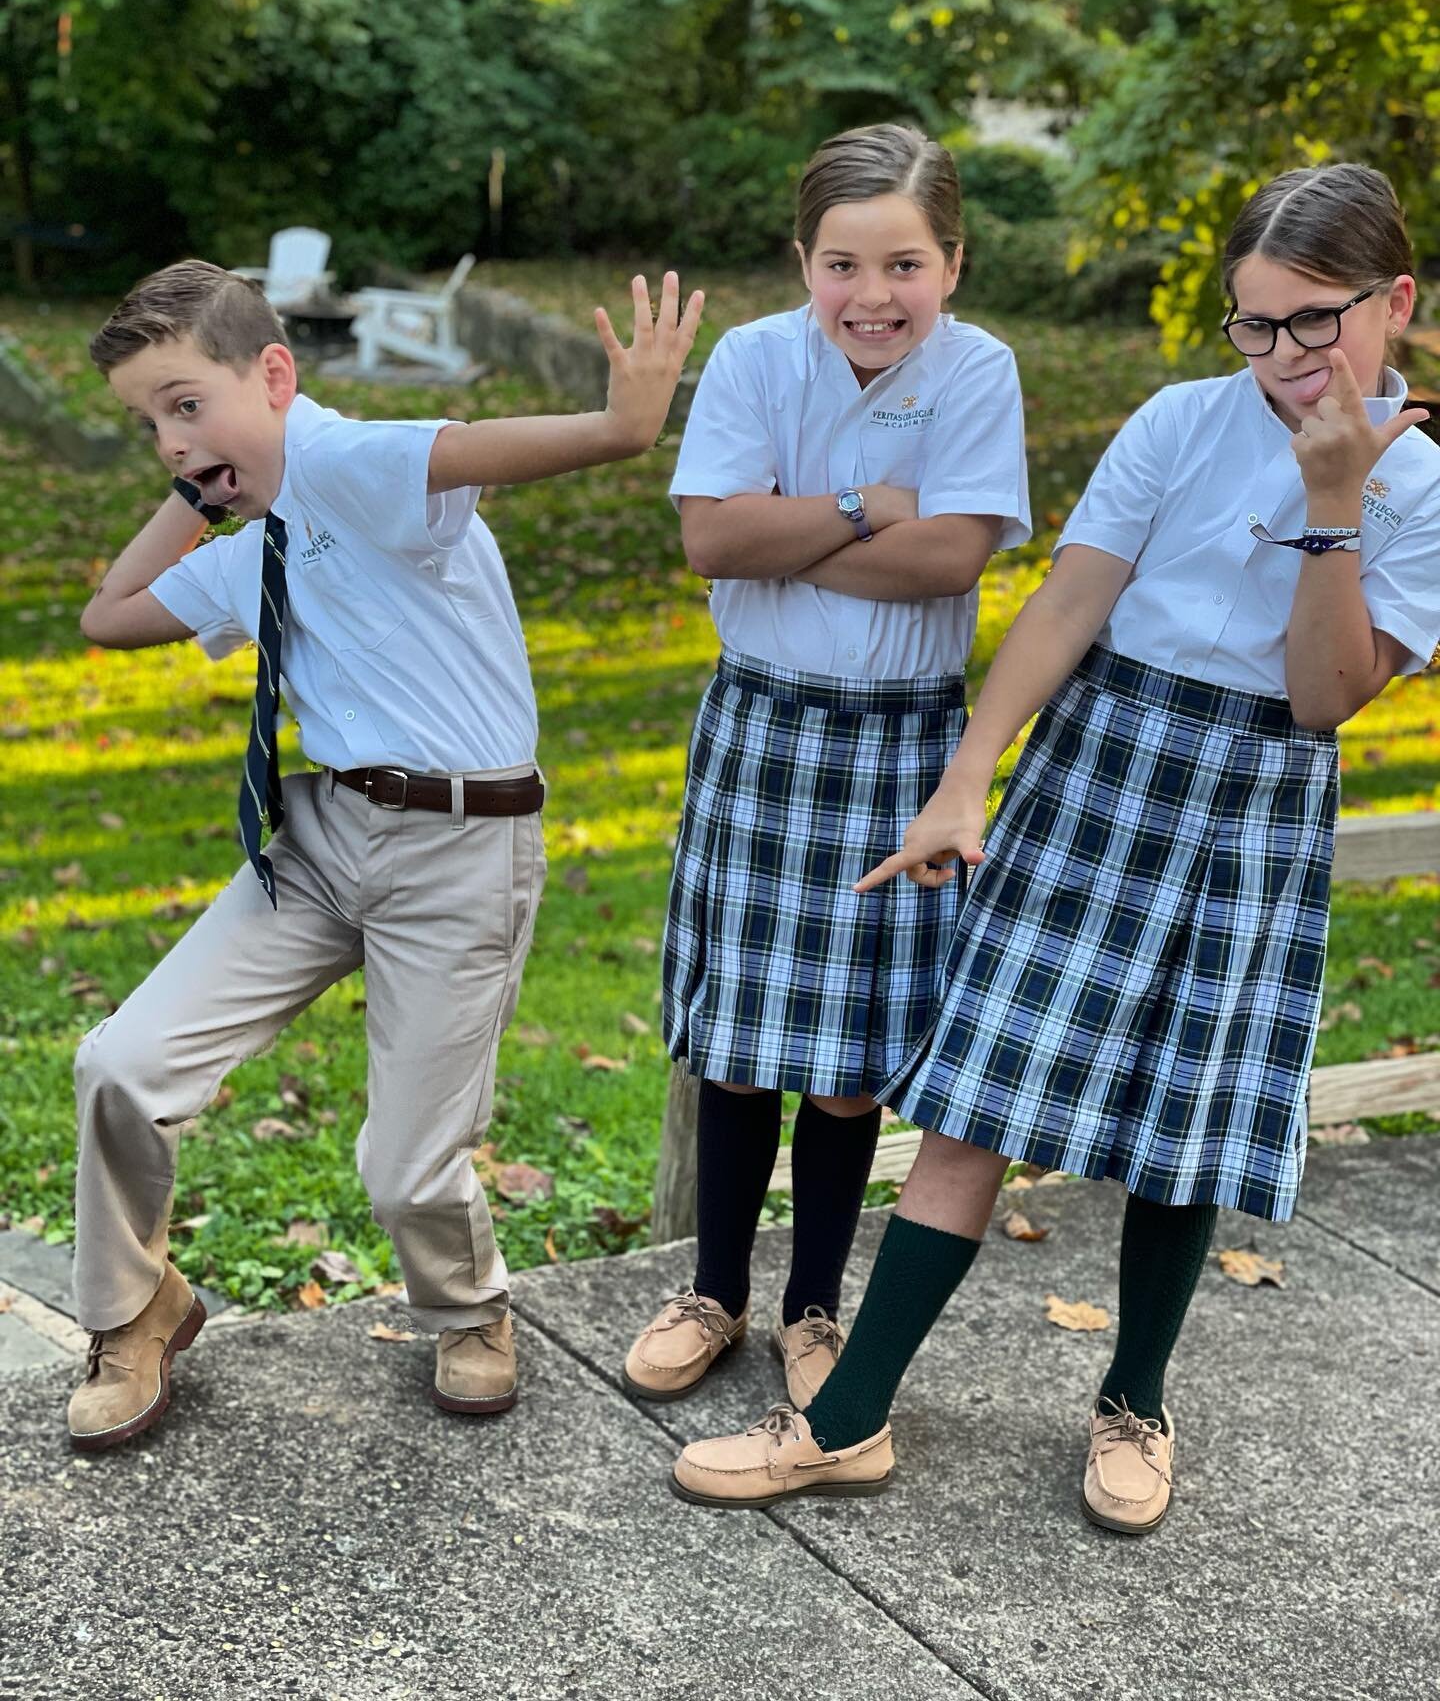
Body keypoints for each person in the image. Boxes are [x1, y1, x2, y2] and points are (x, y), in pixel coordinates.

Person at [671, 162, 1440, 1533]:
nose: (1282, 358)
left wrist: (1334, 504)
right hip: (1107, 756)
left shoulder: (1421, 485)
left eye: (1313, 323)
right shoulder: (1178, 422)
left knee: (1184, 1129)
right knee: (974, 1101)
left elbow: (1329, 696)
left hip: (1261, 784)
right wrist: (967, 783)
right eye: (1253, 326)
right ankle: (844, 1422)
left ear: (1397, 302)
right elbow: (1067, 604)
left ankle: (1135, 1399)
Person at [67, 258, 702, 1449]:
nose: (166, 438)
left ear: (276, 374)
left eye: (188, 404)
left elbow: (472, 448)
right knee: (121, 1064)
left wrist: (622, 425)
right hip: (319, 843)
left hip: (463, 847)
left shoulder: (346, 466)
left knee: (408, 1172)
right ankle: (136, 1307)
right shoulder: (257, 534)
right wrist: (201, 489)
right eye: (148, 420)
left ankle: (471, 1310)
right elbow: (109, 613)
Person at [623, 124, 1029, 1411]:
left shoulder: (979, 372)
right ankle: (715, 1293)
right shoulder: (752, 359)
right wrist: (869, 506)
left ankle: (813, 1308)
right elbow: (709, 539)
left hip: (904, 736)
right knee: (740, 1039)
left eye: (904, 263)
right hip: (763, 721)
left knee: (853, 1053)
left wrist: (781, 533)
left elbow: (951, 561)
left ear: (951, 264)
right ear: (806, 262)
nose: (873, 296)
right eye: (843, 265)